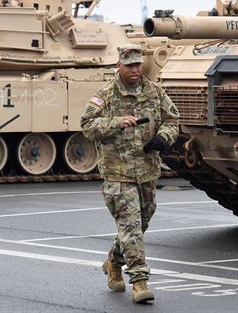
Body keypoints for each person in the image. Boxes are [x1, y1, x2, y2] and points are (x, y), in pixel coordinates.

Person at [80, 44, 179, 303]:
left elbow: (173, 119)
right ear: (119, 66)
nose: (135, 70)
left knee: (141, 221)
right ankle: (139, 281)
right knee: (131, 226)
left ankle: (113, 261)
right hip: (118, 173)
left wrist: (163, 137)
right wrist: (116, 122)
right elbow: (87, 125)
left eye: (138, 65)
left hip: (147, 170)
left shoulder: (154, 91)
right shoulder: (106, 94)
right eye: (130, 65)